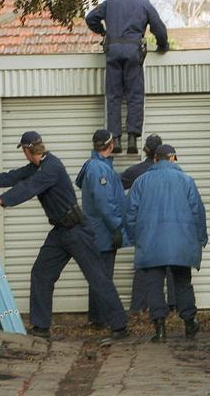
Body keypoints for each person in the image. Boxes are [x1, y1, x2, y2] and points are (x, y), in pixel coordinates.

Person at [0, 131, 128, 343]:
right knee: (41, 273)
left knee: (97, 277)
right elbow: (13, 177)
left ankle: (120, 327)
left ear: (27, 151)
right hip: (60, 231)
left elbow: (28, 187)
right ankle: (41, 327)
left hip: (77, 230)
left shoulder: (51, 167)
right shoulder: (38, 166)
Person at [125, 144, 207, 343]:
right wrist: (201, 237)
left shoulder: (140, 182)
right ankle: (189, 323)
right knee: (182, 283)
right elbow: (198, 211)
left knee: (154, 285)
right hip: (181, 242)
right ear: (172, 159)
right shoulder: (187, 181)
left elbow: (130, 215)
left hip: (151, 242)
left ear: (155, 160)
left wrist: (135, 238)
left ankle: (160, 329)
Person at [85, 0, 169, 155]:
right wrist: (162, 45)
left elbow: (90, 18)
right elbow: (158, 27)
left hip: (113, 51)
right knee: (135, 95)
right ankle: (132, 139)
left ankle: (115, 139)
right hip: (133, 52)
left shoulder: (110, 3)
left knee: (114, 96)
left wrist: (103, 32)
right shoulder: (144, 4)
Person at [75, 129, 128, 327]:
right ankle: (101, 318)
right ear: (111, 145)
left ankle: (97, 317)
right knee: (103, 275)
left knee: (99, 274)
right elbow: (104, 202)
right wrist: (116, 226)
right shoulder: (99, 169)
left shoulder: (95, 166)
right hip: (103, 231)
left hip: (98, 229)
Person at [121, 133, 177, 315]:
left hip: (147, 227)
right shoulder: (175, 174)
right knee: (171, 266)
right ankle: (173, 305)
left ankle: (138, 306)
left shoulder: (136, 172)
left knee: (144, 267)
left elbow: (115, 188)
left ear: (145, 150)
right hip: (170, 226)